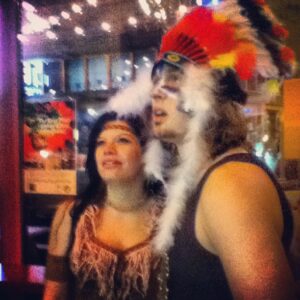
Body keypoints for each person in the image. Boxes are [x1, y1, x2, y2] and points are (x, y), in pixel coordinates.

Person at [148, 2, 297, 300]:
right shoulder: (206, 179)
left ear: (212, 95)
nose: (155, 92)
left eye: (173, 79)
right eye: (156, 80)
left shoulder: (230, 184)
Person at [43, 111, 164, 300]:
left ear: (147, 154)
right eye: (100, 142)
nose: (108, 150)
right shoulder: (71, 215)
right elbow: (54, 295)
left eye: (122, 140)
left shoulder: (172, 219)